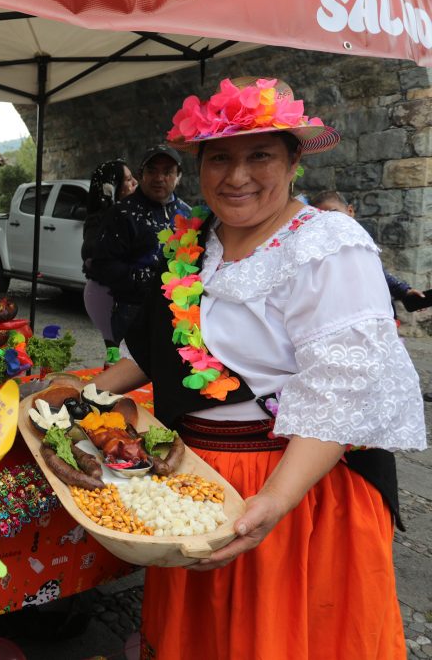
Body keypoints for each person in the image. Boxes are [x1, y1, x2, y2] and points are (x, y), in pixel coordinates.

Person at [93, 77, 426, 659]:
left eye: (260, 155)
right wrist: (70, 394)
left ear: (295, 159)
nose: (237, 175)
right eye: (219, 157)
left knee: (278, 636)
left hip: (292, 489)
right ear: (199, 165)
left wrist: (273, 502)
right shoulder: (194, 241)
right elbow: (153, 351)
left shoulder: (326, 245)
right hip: (196, 484)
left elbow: (341, 394)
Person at [88, 145, 189, 344]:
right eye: (152, 171)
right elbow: (101, 265)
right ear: (141, 174)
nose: (159, 178)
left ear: (178, 176)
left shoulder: (187, 214)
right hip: (133, 311)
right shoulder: (122, 213)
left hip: (178, 312)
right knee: (130, 372)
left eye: (167, 172)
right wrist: (148, 281)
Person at [311, 190, 430, 312]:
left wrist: (404, 291)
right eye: (320, 217)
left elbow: (378, 272)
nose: (329, 220)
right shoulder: (315, 250)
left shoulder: (359, 239)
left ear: (350, 211)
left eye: (333, 213)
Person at [80, 159, 138, 366]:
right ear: (112, 188)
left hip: (124, 297)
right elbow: (91, 253)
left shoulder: (132, 212)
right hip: (107, 298)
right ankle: (110, 394)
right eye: (129, 180)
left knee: (130, 356)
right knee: (120, 356)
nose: (135, 183)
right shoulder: (102, 220)